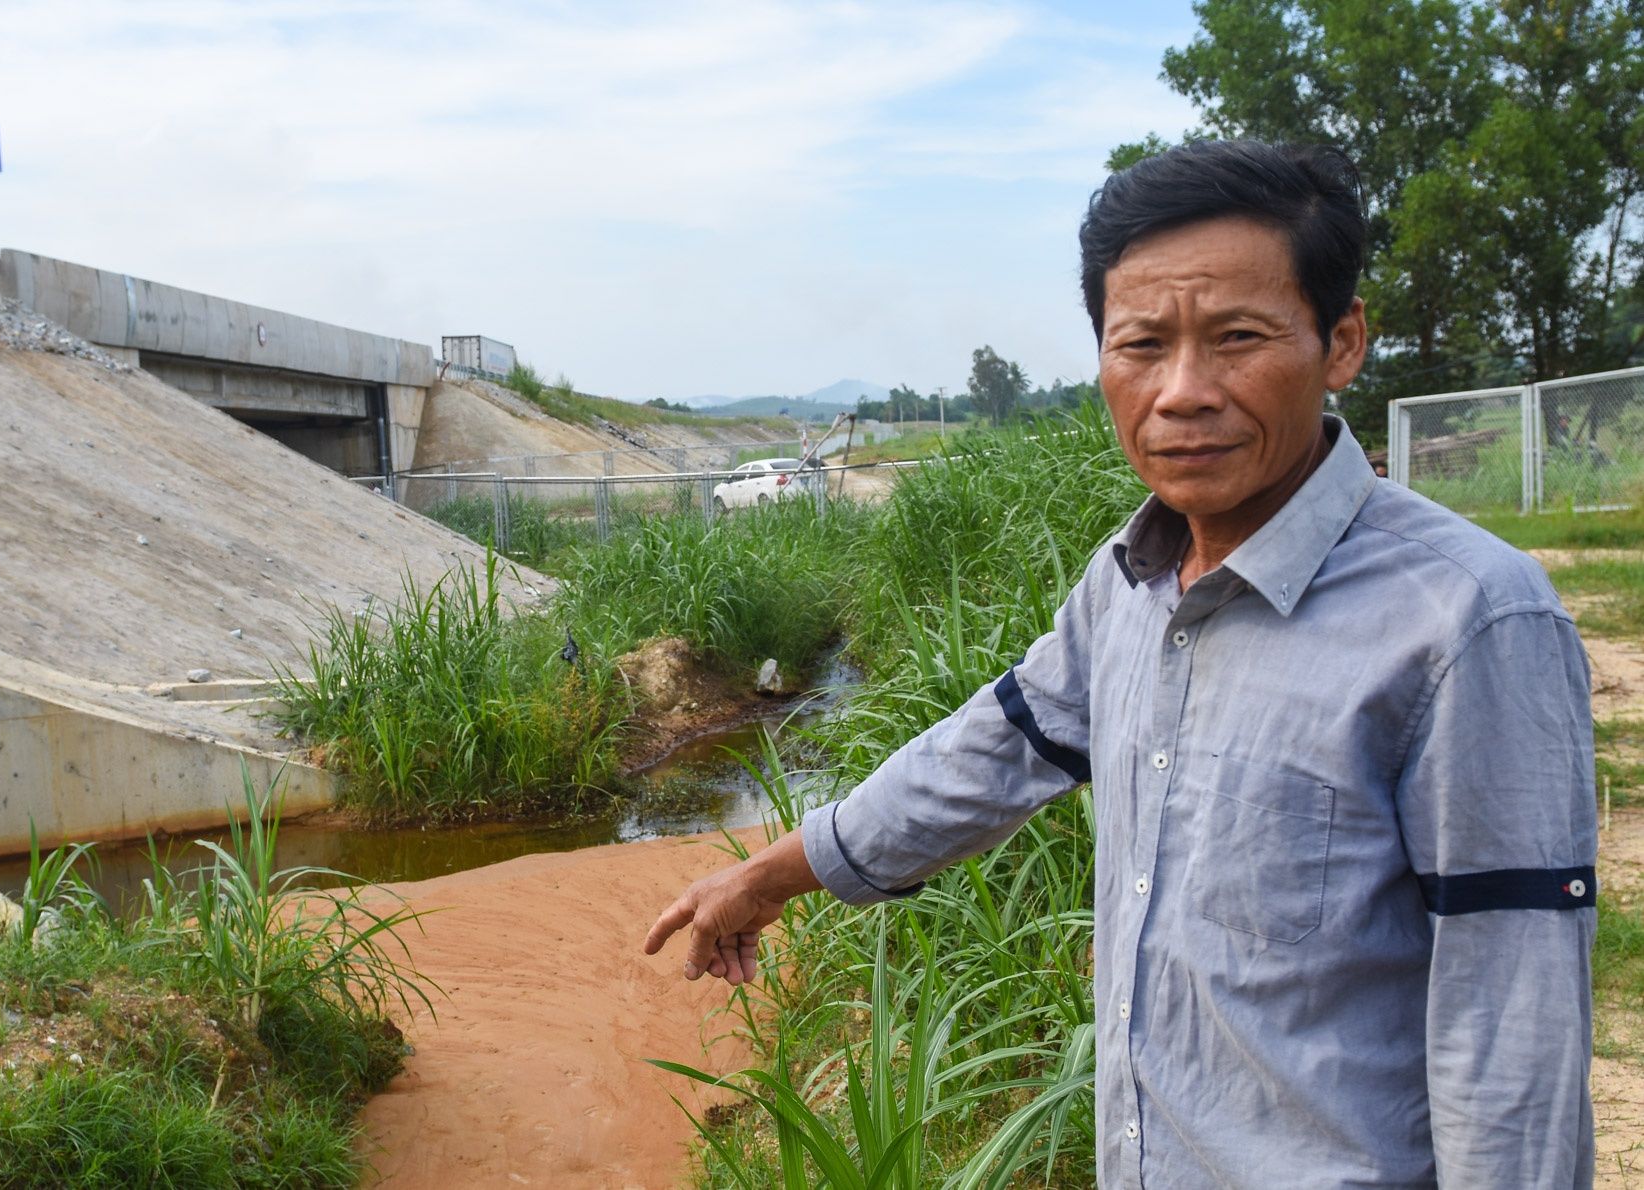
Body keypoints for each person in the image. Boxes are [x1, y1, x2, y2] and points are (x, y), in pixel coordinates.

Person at [643, 140, 1596, 1189]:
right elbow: (986, 753)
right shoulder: (1128, 584)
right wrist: (767, 877)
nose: (1182, 391)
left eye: (1238, 337)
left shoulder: (1468, 620)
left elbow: (1509, 1036)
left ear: (1342, 342)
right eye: (1141, 343)